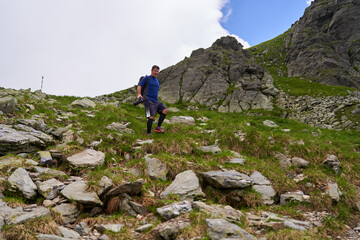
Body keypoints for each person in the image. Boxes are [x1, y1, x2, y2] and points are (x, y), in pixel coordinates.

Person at [137, 65, 168, 135]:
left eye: (157, 71)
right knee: (151, 116)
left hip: (156, 100)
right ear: (152, 70)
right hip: (147, 99)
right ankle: (148, 133)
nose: (156, 72)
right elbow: (139, 86)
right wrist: (139, 94)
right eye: (155, 71)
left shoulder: (157, 81)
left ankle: (158, 127)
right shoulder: (146, 78)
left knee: (165, 110)